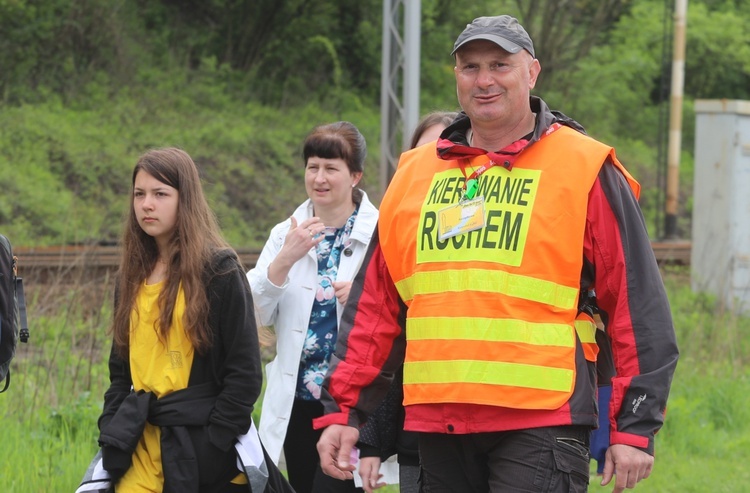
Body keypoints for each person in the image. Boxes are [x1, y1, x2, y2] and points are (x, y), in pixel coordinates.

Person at [315, 14, 679, 493]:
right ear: (457, 78)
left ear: (532, 72)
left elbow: (636, 301)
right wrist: (343, 410)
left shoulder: (583, 166)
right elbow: (375, 305)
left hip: (541, 422)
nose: (484, 79)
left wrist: (634, 424)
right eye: (470, 67)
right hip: (437, 421)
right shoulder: (414, 174)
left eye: (499, 65)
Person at [77, 147, 293, 493]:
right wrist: (111, 429)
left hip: (203, 455)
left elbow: (244, 374)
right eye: (140, 194)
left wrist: (216, 441)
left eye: (160, 194)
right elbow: (120, 373)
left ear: (185, 199)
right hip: (139, 450)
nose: (147, 204)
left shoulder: (219, 271)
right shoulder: (131, 275)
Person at [248, 121, 379, 493]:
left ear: (355, 176)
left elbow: (398, 310)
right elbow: (251, 311)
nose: (319, 178)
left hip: (349, 403)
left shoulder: (380, 233)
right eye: (313, 166)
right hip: (298, 398)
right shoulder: (284, 233)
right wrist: (283, 262)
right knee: (303, 485)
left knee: (338, 487)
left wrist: (362, 293)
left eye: (331, 168)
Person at [356, 110, 458, 493]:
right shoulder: (397, 232)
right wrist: (370, 440)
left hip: (491, 429)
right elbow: (385, 349)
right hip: (420, 434)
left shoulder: (474, 226)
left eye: (441, 151)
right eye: (421, 154)